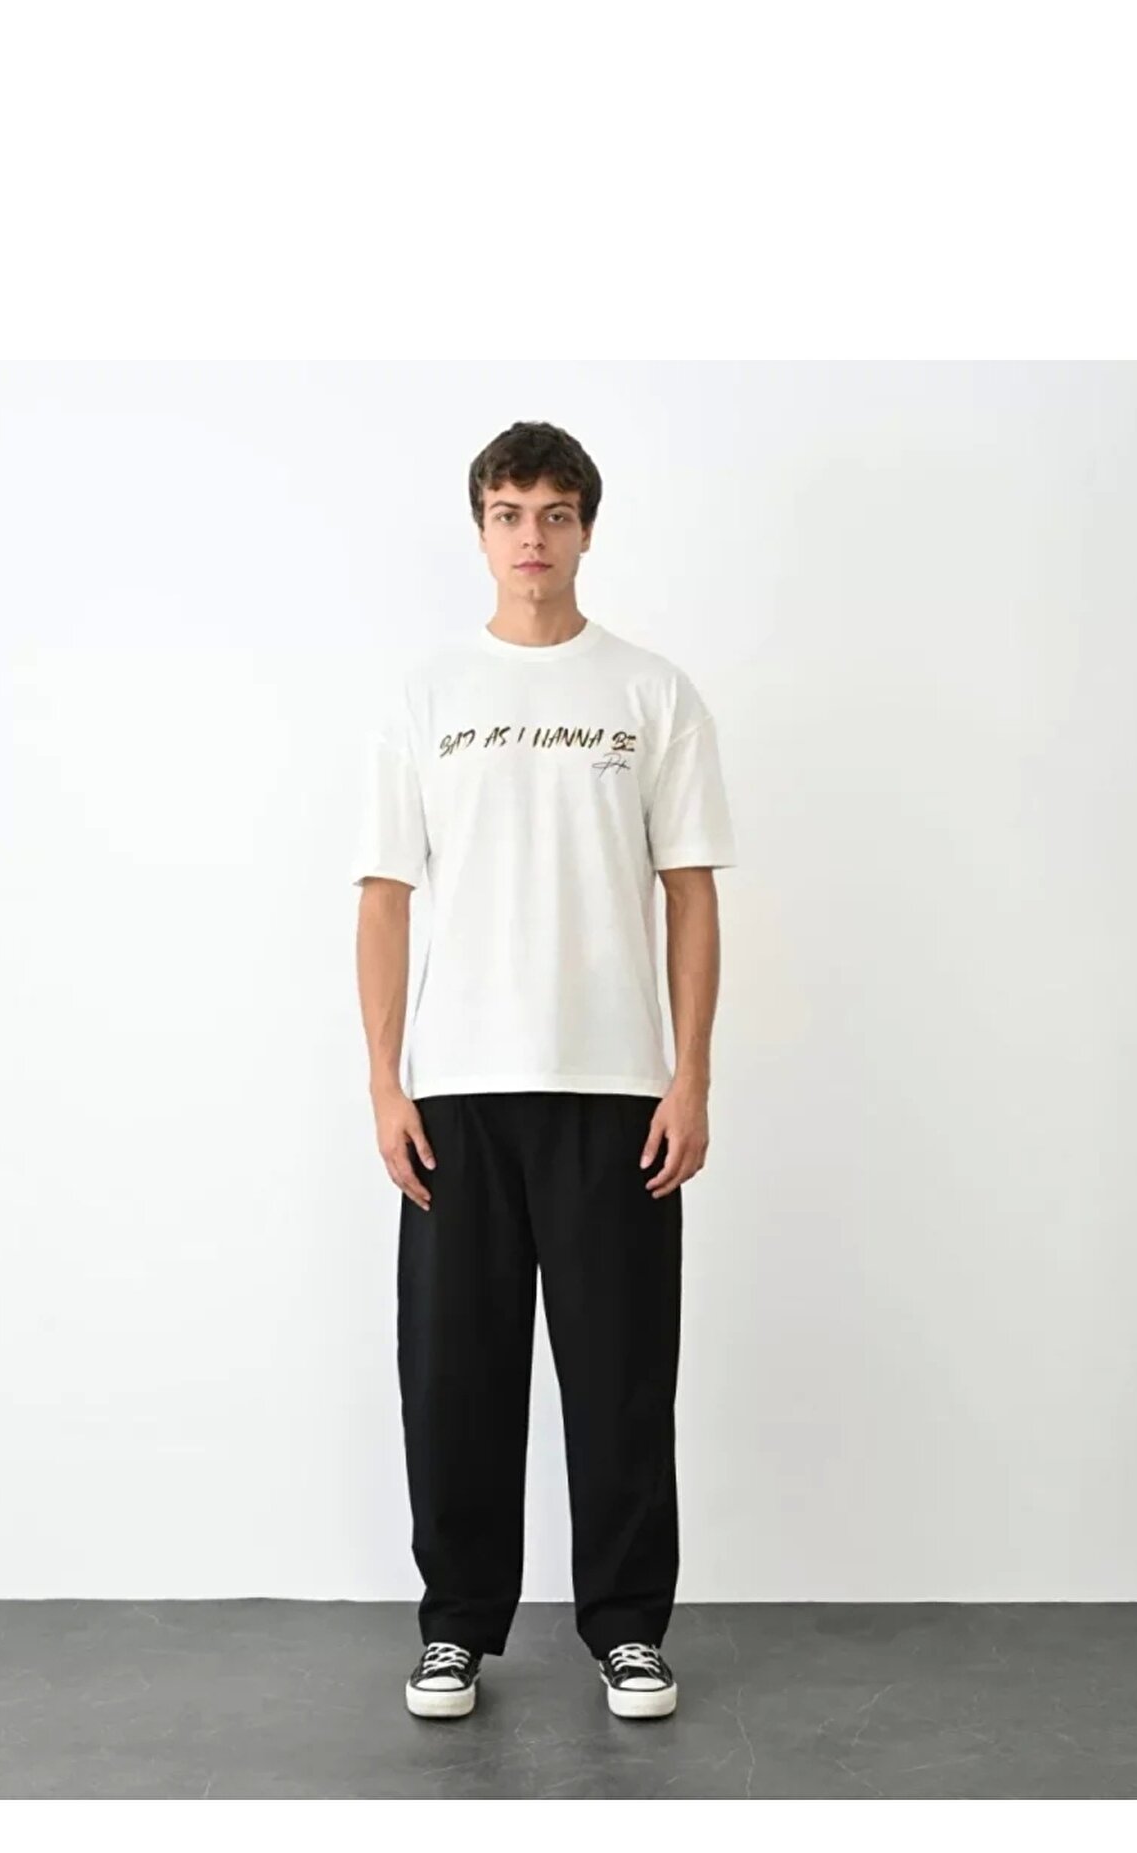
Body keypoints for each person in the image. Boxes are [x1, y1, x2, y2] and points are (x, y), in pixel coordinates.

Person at [350, 420, 737, 1724]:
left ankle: (627, 1631)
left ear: (586, 530)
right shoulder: (427, 697)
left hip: (616, 1087)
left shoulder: (651, 693)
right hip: (457, 1091)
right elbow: (385, 897)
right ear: (480, 530)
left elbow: (691, 894)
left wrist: (690, 1077)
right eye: (510, 513)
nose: (533, 537)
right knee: (453, 1377)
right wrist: (385, 1083)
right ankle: (456, 1630)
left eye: (556, 514)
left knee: (621, 1376)